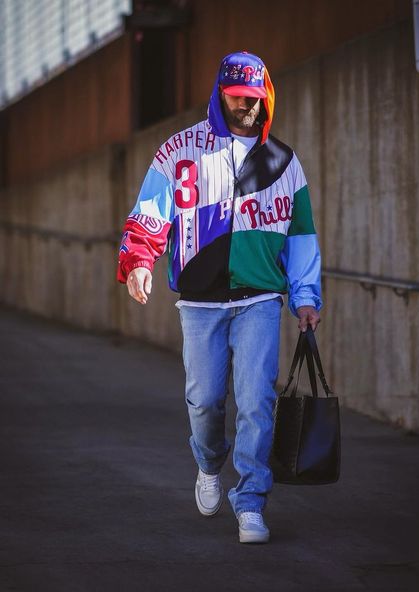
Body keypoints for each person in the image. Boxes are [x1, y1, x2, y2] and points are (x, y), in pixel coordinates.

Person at [117, 51, 322, 544]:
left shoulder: (284, 162)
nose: (245, 106)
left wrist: (306, 295)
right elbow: (150, 210)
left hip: (259, 299)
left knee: (256, 401)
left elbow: (301, 236)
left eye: (254, 97)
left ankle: (250, 502)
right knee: (205, 401)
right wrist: (139, 261)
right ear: (221, 93)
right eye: (236, 96)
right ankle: (210, 464)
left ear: (264, 95)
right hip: (199, 300)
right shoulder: (180, 150)